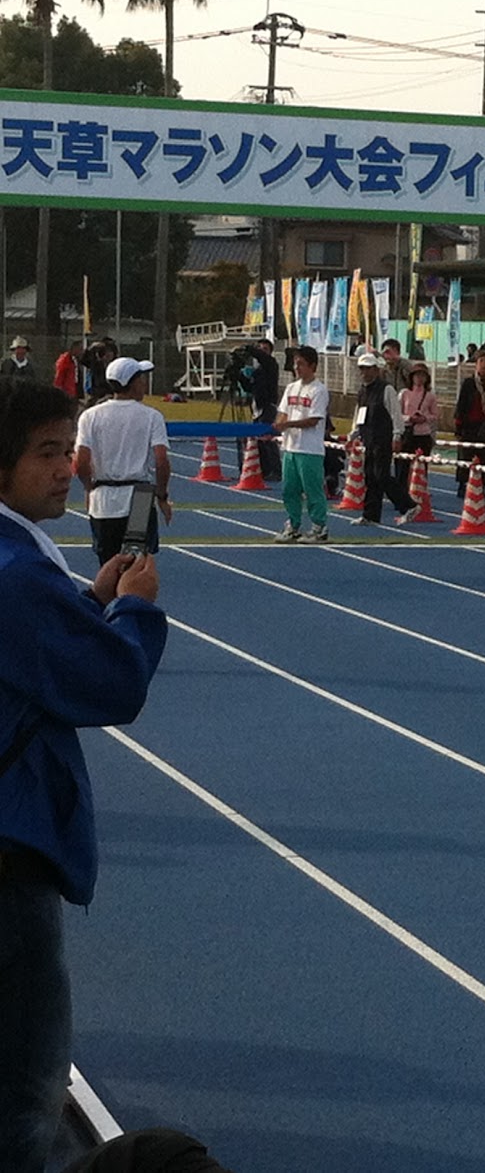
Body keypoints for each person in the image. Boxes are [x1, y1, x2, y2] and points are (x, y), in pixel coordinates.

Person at [0, 377, 166, 1173]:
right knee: (24, 1095)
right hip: (8, 856)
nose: (65, 467)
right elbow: (110, 684)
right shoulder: (16, 574)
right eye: (43, 453)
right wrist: (134, 609)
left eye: (66, 449)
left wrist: (88, 603)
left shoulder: (21, 564)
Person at [73, 357, 173, 568]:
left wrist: (89, 487)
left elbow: (80, 461)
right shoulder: (151, 416)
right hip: (140, 498)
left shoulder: (90, 416)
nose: (144, 384)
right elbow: (161, 460)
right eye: (142, 379)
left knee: (108, 566)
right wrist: (162, 495)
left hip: (104, 500)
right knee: (136, 567)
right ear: (133, 383)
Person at [351, 351, 419, 527]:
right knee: (371, 477)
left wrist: (397, 435)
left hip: (383, 438)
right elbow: (359, 415)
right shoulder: (362, 391)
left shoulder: (386, 389)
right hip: (368, 438)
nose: (364, 373)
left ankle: (408, 505)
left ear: (375, 369)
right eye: (361, 369)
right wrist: (353, 435)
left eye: (367, 369)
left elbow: (395, 414)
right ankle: (371, 515)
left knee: (382, 475)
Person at [273, 346, 331, 543]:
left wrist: (287, 424)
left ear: (312, 366)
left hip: (310, 449)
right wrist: (279, 424)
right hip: (290, 447)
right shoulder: (291, 387)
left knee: (312, 489)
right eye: (296, 363)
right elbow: (283, 411)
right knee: (289, 489)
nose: (297, 367)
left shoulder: (319, 390)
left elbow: (313, 419)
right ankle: (293, 524)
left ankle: (319, 527)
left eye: (301, 364)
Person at [453, 351, 485, 498]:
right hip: (469, 425)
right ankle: (462, 484)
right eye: (481, 361)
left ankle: (483, 486)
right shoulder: (469, 383)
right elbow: (461, 405)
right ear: (476, 364)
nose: (483, 364)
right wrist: (459, 427)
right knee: (465, 456)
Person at [397, 361, 439, 486]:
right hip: (407, 432)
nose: (419, 378)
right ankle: (401, 489)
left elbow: (436, 415)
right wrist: (409, 418)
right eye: (417, 375)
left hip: (423, 434)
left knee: (422, 465)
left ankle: (420, 489)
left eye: (423, 376)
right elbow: (397, 414)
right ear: (412, 377)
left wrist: (424, 418)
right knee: (402, 464)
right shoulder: (404, 393)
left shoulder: (430, 396)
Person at [249, 338, 281, 482]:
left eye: (265, 349)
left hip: (268, 406)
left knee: (268, 439)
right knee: (258, 440)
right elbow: (249, 388)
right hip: (257, 406)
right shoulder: (258, 371)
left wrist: (252, 350)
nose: (262, 352)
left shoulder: (272, 365)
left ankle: (275, 470)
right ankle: (264, 469)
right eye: (260, 349)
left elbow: (264, 358)